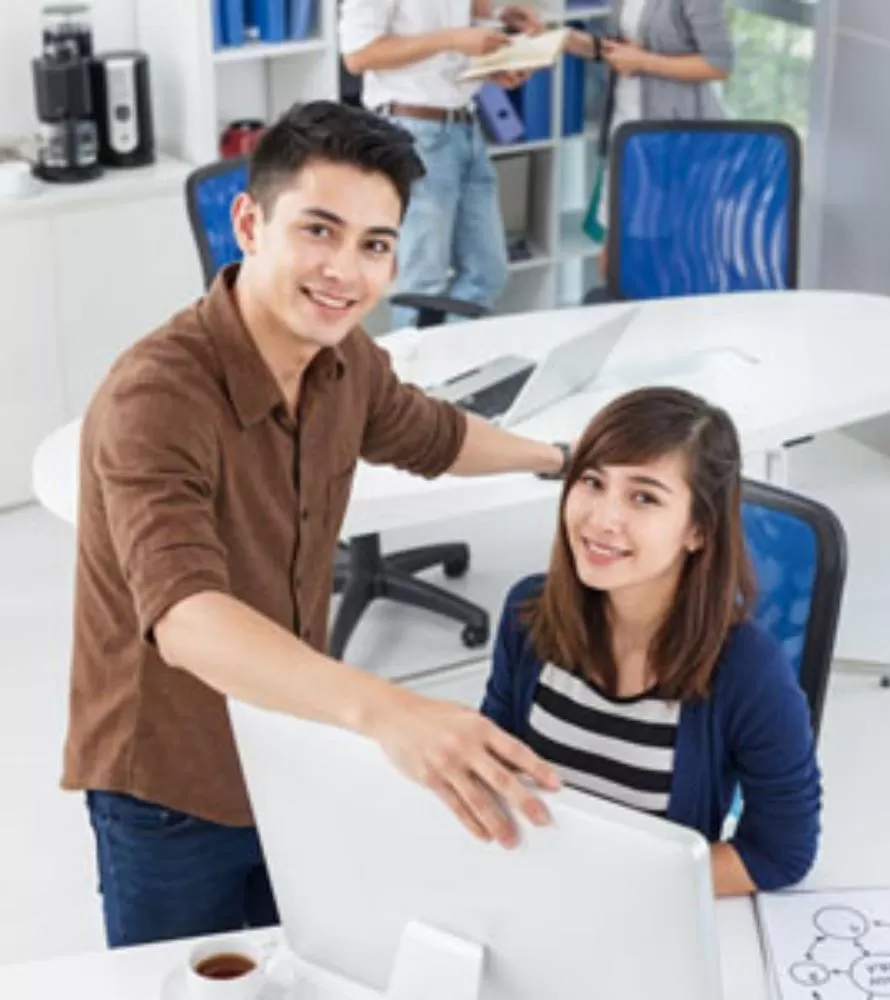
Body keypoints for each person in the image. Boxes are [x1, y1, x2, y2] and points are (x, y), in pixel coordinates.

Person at [63, 100, 570, 949]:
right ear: (249, 224)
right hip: (169, 779)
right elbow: (186, 616)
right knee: (189, 982)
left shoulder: (345, 359)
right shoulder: (156, 395)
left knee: (301, 964)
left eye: (375, 245)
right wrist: (389, 713)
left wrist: (561, 459)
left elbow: (432, 434)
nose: (345, 271)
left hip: (291, 742)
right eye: (319, 230)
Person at [481, 387, 821, 896]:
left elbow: (780, 853)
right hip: (526, 891)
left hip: (644, 909)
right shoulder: (528, 615)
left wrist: (613, 887)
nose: (602, 519)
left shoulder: (748, 670)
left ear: (698, 530)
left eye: (644, 497)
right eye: (593, 482)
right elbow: (493, 771)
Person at [339, 1, 545, 328]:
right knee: (422, 285)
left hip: (465, 125)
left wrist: (496, 56)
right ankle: (416, 359)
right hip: (414, 131)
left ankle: (448, 357)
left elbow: (446, 49)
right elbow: (359, 54)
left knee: (487, 273)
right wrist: (452, 39)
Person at [567, 0, 735, 248]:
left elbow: (719, 64)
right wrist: (565, 38)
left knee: (656, 251)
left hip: (672, 140)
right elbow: (622, 50)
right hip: (624, 130)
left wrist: (645, 62)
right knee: (613, 249)